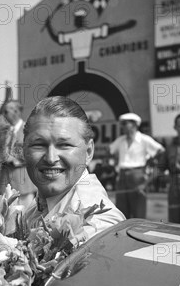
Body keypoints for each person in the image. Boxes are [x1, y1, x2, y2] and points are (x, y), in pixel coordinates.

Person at [23, 96, 125, 243]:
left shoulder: (97, 226)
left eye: (65, 145)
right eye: (39, 145)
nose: (51, 158)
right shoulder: (38, 205)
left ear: (88, 152)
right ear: (23, 150)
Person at [109, 113, 165, 219]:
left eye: (125, 124)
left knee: (138, 210)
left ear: (134, 125)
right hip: (122, 176)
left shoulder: (144, 139)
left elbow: (161, 151)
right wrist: (116, 161)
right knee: (121, 209)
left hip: (137, 175)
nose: (123, 126)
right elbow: (110, 150)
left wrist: (149, 161)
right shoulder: (121, 140)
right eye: (122, 124)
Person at [0, 99, 36, 208]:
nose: (3, 115)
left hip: (23, 185)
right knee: (6, 221)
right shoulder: (3, 132)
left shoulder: (30, 130)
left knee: (24, 220)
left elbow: (35, 153)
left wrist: (15, 160)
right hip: (4, 183)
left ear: (16, 112)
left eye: (6, 112)